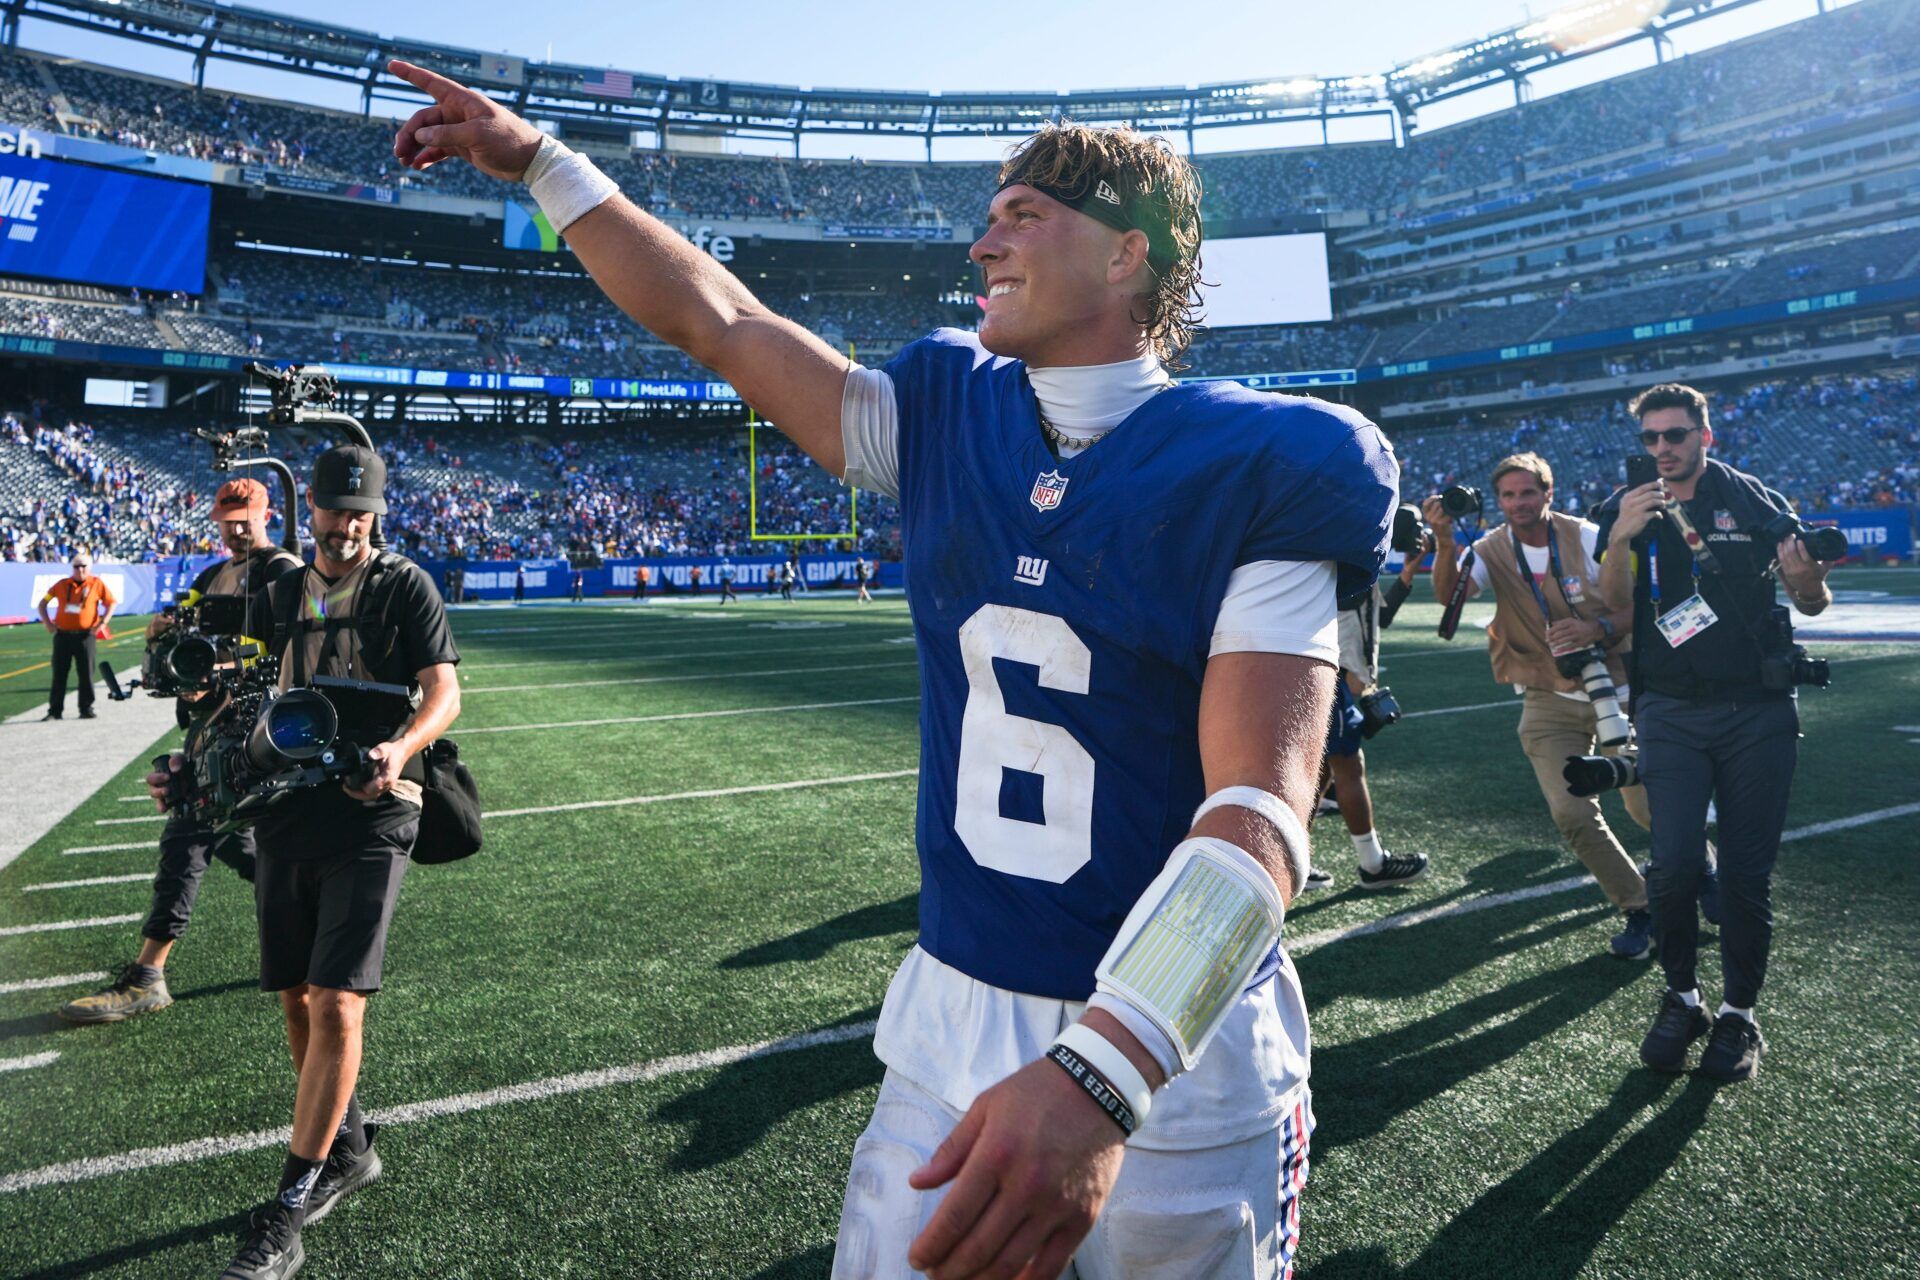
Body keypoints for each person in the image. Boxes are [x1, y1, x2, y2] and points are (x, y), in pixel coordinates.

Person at [389, 68, 1394, 1276]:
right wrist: (545, 162)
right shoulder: (943, 410)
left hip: (1176, 1052)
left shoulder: (1273, 456)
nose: (984, 241)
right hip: (953, 1020)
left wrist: (1106, 1069)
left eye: (1024, 213)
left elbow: (1261, 810)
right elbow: (718, 320)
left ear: (1128, 256)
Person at [149, 446, 461, 1280]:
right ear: (311, 510)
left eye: (362, 512)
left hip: (376, 807)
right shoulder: (280, 589)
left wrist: (400, 749)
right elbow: (231, 689)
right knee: (295, 998)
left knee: (335, 1003)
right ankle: (350, 1149)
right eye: (334, 510)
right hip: (288, 805)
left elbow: (445, 691)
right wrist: (190, 754)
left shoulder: (406, 586)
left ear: (377, 513)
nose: (347, 525)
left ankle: (287, 1210)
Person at [1595, 383, 1831, 1082]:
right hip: (1668, 708)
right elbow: (1613, 608)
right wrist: (1618, 540)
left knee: (1746, 878)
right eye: (1651, 439)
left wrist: (1806, 579)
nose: (1663, 450)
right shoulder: (1625, 505)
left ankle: (1740, 1015)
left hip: (1756, 712)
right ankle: (1683, 996)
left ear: (1706, 435)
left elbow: (1813, 603)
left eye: (1675, 435)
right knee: (1670, 867)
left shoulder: (1753, 500)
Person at [60, 480, 301, 1025]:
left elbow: (295, 650)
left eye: (245, 517)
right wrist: (163, 637)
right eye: (227, 518)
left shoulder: (281, 571)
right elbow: (181, 640)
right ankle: (315, 927)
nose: (236, 528)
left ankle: (148, 975)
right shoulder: (209, 577)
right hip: (209, 727)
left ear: (266, 514)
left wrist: (223, 672)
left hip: (254, 731)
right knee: (243, 847)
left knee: (191, 828)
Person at [1425, 454, 1664, 959]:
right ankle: (1639, 906)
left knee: (1647, 808)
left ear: (1548, 493)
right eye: (1508, 496)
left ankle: (1701, 871)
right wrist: (1445, 540)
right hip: (1546, 693)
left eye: (1527, 493)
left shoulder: (1587, 536)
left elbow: (1642, 605)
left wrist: (1597, 628)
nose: (1517, 504)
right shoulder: (1489, 547)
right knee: (1572, 812)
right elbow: (1448, 600)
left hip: (1618, 684)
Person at [1305, 586, 1429, 891]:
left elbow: (1379, 614)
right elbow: (1352, 590)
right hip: (1319, 657)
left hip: (1313, 654)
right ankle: (1373, 864)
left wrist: (1408, 575)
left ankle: (1292, 857)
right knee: (1348, 761)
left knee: (1324, 766)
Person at [39, 550, 116, 721]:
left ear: (89, 568)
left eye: (83, 566)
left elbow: (111, 603)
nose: (80, 570)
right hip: (63, 635)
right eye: (76, 566)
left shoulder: (96, 584)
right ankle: (55, 710)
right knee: (59, 673)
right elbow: (43, 603)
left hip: (85, 635)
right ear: (72, 568)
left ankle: (86, 708)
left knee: (86, 673)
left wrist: (102, 623)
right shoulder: (61, 585)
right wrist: (48, 623)